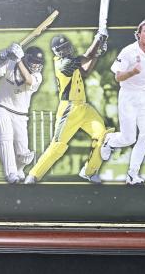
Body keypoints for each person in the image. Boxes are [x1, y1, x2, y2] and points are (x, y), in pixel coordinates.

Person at [23, 31, 110, 184]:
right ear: (56, 52)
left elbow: (85, 71)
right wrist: (98, 40)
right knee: (57, 146)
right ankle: (34, 174)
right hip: (69, 109)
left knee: (102, 136)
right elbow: (87, 55)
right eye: (61, 49)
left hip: (83, 107)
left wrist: (97, 53)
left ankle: (89, 171)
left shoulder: (70, 61)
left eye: (66, 47)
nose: (65, 50)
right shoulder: (63, 64)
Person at [101, 20, 145, 185]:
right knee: (128, 138)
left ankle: (132, 174)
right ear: (138, 34)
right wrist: (133, 72)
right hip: (127, 96)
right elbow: (118, 77)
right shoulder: (128, 51)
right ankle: (109, 140)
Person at [0, 43, 45, 184]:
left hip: (20, 114)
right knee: (5, 137)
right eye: (33, 62)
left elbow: (28, 80)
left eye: (38, 63)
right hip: (2, 107)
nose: (36, 66)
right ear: (26, 59)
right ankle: (10, 173)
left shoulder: (37, 76)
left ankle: (18, 169)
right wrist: (0, 60)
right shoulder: (10, 64)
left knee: (24, 155)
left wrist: (18, 60)